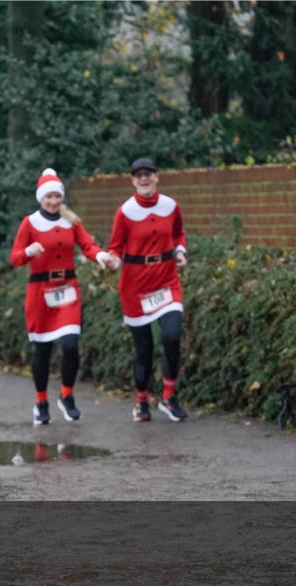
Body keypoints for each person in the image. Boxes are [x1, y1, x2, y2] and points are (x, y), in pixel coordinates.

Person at [10, 168, 119, 425]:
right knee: (43, 350)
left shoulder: (71, 221)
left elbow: (88, 245)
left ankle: (66, 395)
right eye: (49, 197)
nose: (53, 201)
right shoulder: (30, 223)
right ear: (41, 198)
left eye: (57, 196)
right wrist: (28, 251)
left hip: (67, 289)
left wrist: (101, 255)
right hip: (40, 293)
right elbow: (14, 257)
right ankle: (41, 402)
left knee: (71, 344)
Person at [107, 158, 189, 423]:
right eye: (139, 175)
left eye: (148, 174)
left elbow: (178, 234)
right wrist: (113, 260)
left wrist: (180, 251)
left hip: (166, 281)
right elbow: (115, 247)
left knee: (172, 337)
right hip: (136, 286)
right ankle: (141, 401)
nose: (144, 179)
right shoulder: (125, 212)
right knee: (144, 349)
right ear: (133, 181)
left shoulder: (171, 206)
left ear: (156, 177)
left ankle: (169, 397)